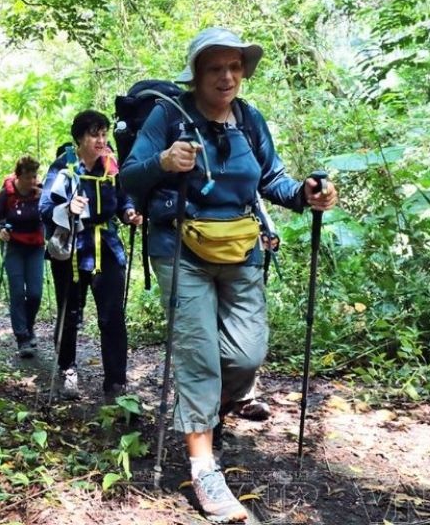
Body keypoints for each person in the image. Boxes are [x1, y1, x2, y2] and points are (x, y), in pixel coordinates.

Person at [119, 26, 338, 522]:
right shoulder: (167, 117)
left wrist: (306, 194)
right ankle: (203, 467)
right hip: (180, 247)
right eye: (215, 68)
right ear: (195, 75)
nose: (226, 76)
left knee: (246, 354)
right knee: (198, 356)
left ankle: (208, 414)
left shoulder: (250, 120)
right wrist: (162, 160)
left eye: (234, 67)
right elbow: (129, 177)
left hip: (241, 247)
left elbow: (271, 179)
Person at [41, 111, 143, 400]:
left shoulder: (111, 164)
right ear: (79, 138)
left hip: (106, 248)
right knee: (70, 313)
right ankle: (67, 370)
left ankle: (115, 383)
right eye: (94, 134)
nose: (101, 140)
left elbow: (125, 197)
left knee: (112, 315)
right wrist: (67, 209)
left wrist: (129, 212)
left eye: (103, 134)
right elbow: (45, 207)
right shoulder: (64, 167)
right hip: (72, 248)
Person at [0, 156, 45, 357]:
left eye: (35, 176)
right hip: (14, 248)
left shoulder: (41, 192)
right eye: (29, 177)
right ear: (19, 176)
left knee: (36, 293)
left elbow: (52, 213)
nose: (32, 181)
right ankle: (22, 338)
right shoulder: (6, 196)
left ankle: (28, 326)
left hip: (36, 247)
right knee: (18, 293)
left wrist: (45, 197)